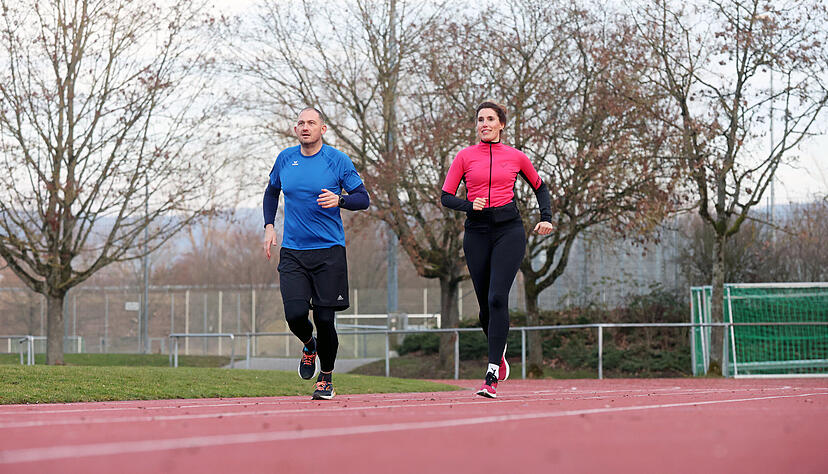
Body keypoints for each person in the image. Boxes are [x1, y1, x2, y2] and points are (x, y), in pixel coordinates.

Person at [440, 101, 553, 398]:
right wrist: (469, 204)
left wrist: (546, 218)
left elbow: (540, 187)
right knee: (485, 309)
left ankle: (491, 373)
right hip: (476, 232)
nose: (484, 124)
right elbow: (446, 196)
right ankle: (498, 349)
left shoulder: (516, 157)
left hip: (508, 230)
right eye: (480, 120)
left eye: (490, 119)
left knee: (498, 297)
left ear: (502, 124)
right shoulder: (464, 157)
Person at [263, 107, 369, 400]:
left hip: (328, 253)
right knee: (295, 314)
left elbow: (363, 199)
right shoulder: (286, 159)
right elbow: (271, 192)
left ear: (323, 129)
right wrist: (269, 226)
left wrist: (341, 200)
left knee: (325, 321)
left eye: (311, 123)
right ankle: (309, 345)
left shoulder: (337, 160)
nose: (305, 127)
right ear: (295, 129)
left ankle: (326, 377)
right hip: (294, 252)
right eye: (301, 123)